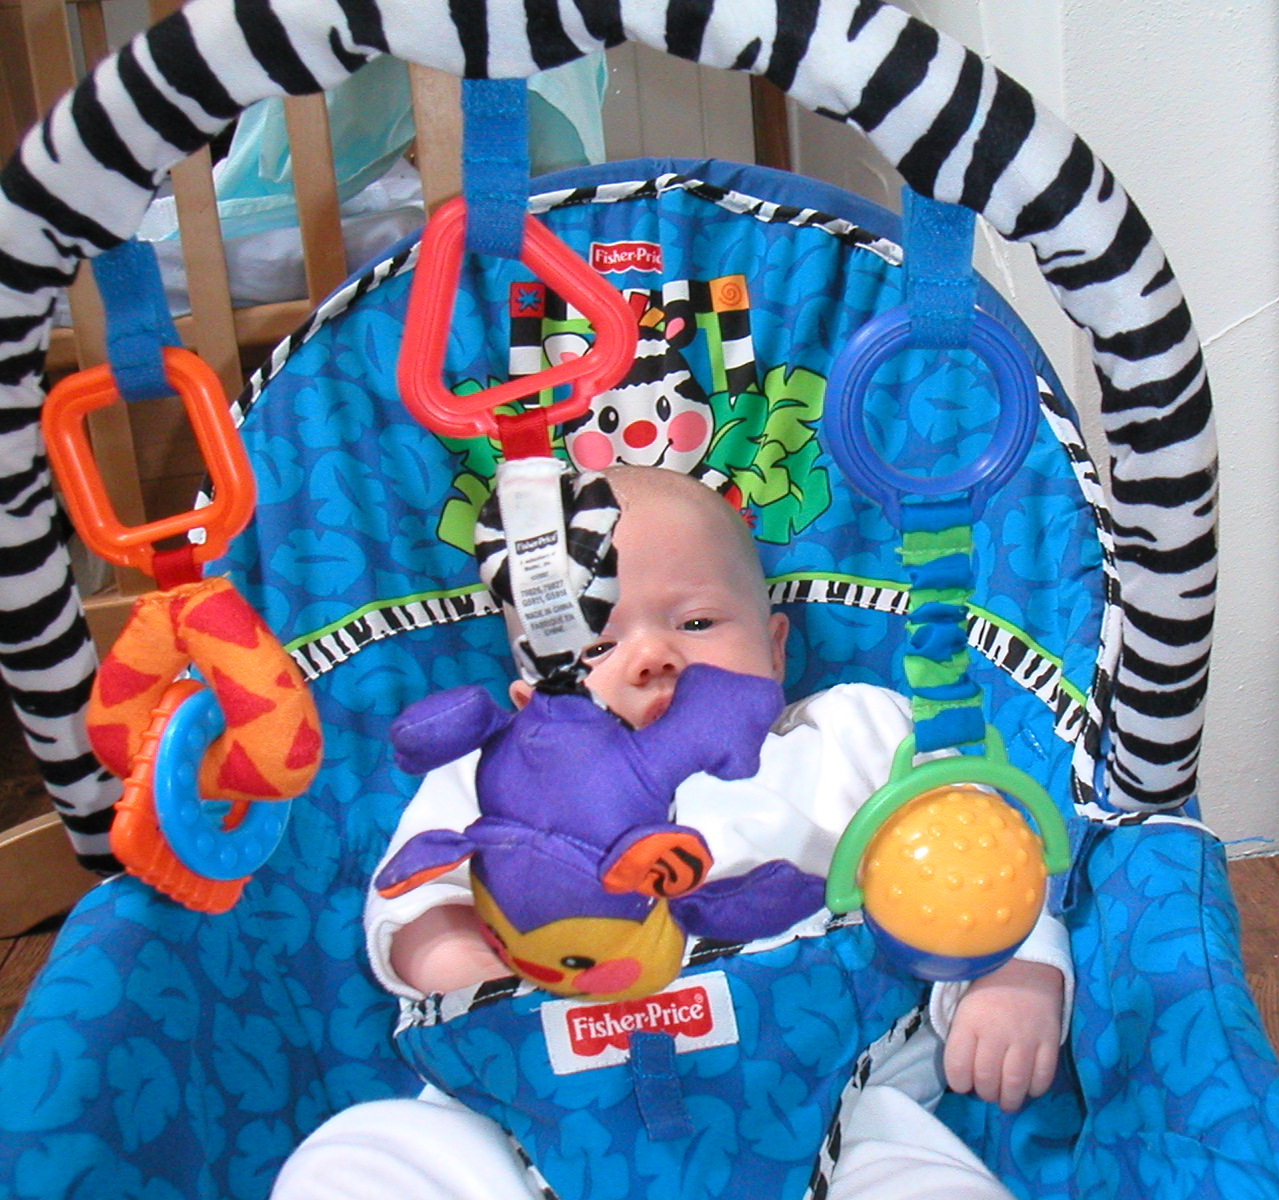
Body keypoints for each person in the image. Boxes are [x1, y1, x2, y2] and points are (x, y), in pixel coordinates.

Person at [273, 465, 1071, 1200]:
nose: (652, 655)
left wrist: (1014, 966)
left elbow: (979, 849)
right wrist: (477, 968)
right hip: (537, 1115)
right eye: (597, 644)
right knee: (353, 1162)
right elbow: (412, 901)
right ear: (528, 699)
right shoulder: (494, 778)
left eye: (696, 620)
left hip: (828, 1100)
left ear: (775, 648)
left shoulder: (851, 736)